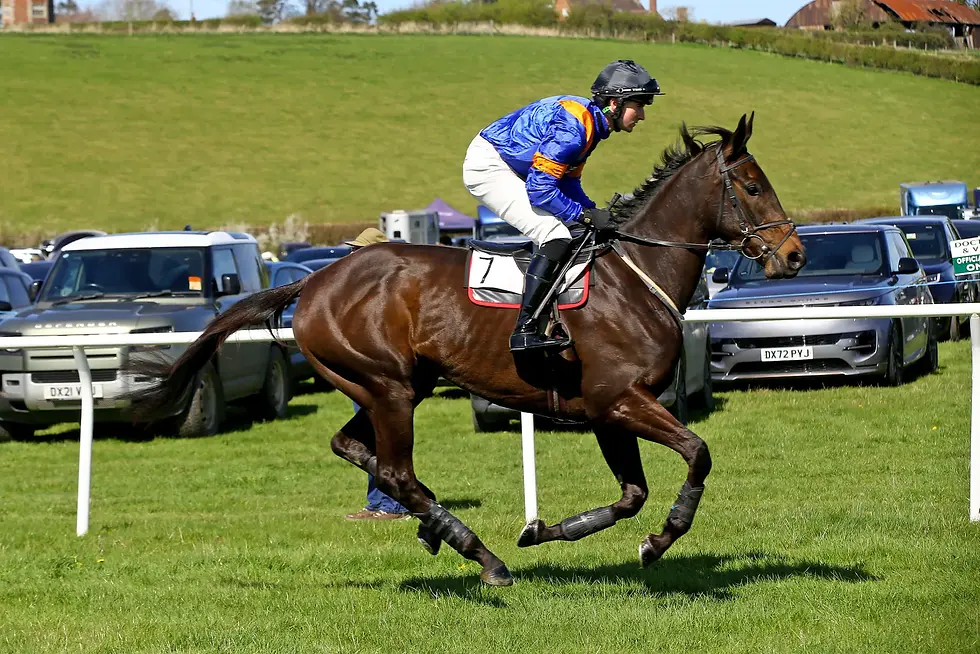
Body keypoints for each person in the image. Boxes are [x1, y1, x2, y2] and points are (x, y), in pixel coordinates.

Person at [462, 60, 663, 352]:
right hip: (489, 167)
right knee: (554, 233)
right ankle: (526, 328)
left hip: (514, 168)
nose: (642, 115)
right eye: (639, 105)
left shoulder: (590, 124)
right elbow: (540, 189)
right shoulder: (574, 129)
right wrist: (583, 214)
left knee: (583, 232)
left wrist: (594, 212)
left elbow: (567, 184)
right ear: (614, 103)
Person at [341, 227, 412, 520]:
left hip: (380, 378)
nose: (352, 255)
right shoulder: (364, 289)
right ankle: (377, 502)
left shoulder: (383, 293)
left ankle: (393, 504)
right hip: (364, 375)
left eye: (358, 250)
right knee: (370, 437)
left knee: (383, 438)